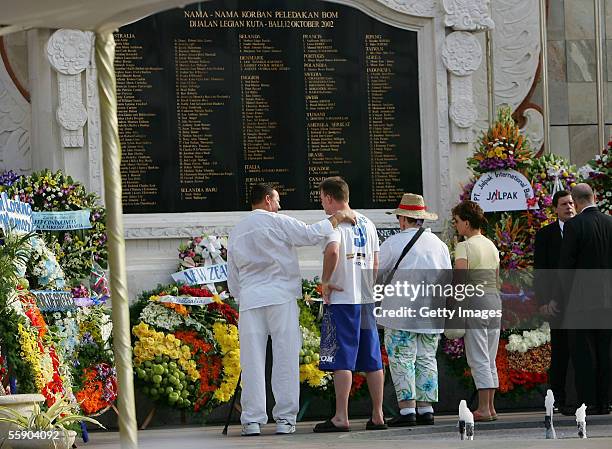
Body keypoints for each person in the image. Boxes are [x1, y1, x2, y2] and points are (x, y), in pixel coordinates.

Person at [227, 183, 356, 436]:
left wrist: (243, 296)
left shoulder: (237, 230)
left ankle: (252, 420)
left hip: (251, 299)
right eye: (276, 200)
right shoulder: (278, 222)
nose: (279, 205)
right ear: (267, 200)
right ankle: (285, 419)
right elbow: (310, 234)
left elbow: (232, 275)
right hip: (281, 297)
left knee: (251, 360)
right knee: (285, 357)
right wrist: (339, 216)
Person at [313, 177, 386, 432]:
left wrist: (324, 281)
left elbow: (333, 251)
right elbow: (376, 262)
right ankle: (378, 415)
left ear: (330, 198)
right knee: (372, 357)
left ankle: (341, 417)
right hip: (365, 299)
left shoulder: (334, 224)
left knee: (341, 358)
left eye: (322, 198)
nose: (322, 203)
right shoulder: (368, 222)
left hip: (342, 298)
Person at [376, 193, 452, 427]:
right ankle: (426, 408)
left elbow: (377, 274)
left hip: (401, 312)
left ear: (403, 219)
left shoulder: (393, 243)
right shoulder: (439, 245)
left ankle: (407, 410)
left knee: (402, 358)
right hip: (431, 311)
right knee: (427, 358)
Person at [559, 183, 612, 415]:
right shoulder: (610, 222)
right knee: (607, 350)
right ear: (595, 197)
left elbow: (566, 267)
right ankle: (607, 400)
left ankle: (588, 401)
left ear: (577, 202)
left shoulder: (574, 226)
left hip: (581, 301)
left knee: (584, 352)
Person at [452, 200, 501, 422]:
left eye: (458, 221)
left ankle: (482, 409)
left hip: (475, 301)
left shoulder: (464, 246)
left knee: (478, 355)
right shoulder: (491, 244)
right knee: (490, 356)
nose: (456, 225)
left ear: (467, 222)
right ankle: (490, 407)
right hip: (494, 300)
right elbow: (497, 277)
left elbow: (460, 280)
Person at [534, 190, 575, 411]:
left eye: (571, 203)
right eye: (564, 204)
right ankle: (558, 397)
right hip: (555, 305)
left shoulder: (582, 230)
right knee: (560, 351)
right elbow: (541, 272)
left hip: (581, 303)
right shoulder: (545, 235)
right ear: (555, 209)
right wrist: (543, 302)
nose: (569, 207)